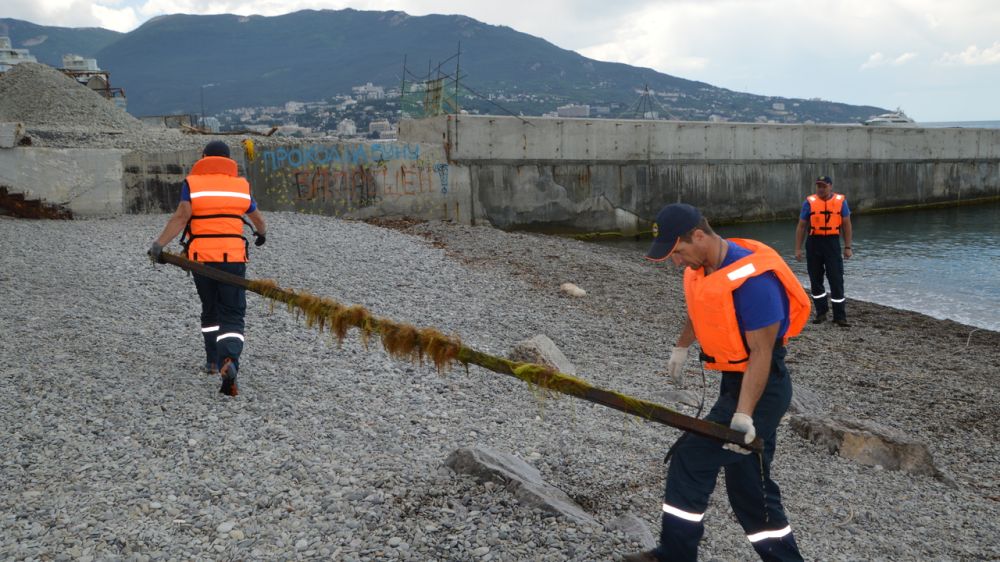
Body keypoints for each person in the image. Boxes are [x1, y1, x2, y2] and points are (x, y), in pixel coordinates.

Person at [624, 203, 810, 562]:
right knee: (749, 487)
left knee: (690, 459)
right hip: (734, 384)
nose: (677, 262)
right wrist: (681, 347)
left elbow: (762, 353)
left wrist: (744, 415)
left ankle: (674, 556)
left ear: (699, 235)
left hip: (761, 390)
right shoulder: (705, 267)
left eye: (678, 252)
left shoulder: (755, 282)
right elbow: (703, 307)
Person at [148, 140, 267, 396]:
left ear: (203, 157)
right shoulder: (240, 185)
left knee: (210, 308)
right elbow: (255, 217)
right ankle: (230, 360)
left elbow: (182, 216)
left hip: (201, 258)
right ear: (228, 160)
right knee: (233, 313)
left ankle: (212, 361)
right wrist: (261, 233)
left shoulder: (192, 184)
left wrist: (159, 244)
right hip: (233, 258)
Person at [794, 175, 853, 327]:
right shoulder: (809, 203)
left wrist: (848, 247)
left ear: (830, 186)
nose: (821, 189)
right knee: (815, 278)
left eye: (824, 186)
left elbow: (846, 225)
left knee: (836, 278)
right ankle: (821, 312)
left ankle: (840, 316)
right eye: (818, 186)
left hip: (832, 243)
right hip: (814, 243)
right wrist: (798, 248)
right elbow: (801, 226)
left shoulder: (841, 202)